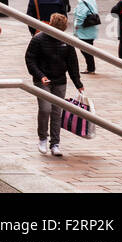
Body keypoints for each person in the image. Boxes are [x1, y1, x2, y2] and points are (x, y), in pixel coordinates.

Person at [24, 12, 83, 157]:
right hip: (42, 79)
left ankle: (55, 143)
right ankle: (43, 137)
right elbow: (30, 59)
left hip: (59, 79)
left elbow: (72, 64)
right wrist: (40, 75)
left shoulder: (67, 42)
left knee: (57, 112)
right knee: (45, 109)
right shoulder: (38, 40)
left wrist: (78, 83)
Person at [72, 0, 99, 74]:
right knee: (88, 48)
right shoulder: (92, 0)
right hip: (92, 27)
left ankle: (90, 68)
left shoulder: (82, 2)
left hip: (84, 29)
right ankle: (91, 67)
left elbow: (80, 16)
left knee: (85, 49)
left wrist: (77, 26)